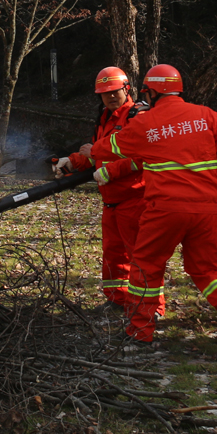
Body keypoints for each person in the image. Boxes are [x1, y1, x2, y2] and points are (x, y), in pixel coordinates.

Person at [109, 64, 217, 356]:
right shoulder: (208, 116)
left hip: (165, 209)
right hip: (208, 209)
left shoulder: (146, 123)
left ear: (151, 91)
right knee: (208, 268)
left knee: (146, 265)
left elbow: (114, 147)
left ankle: (140, 331)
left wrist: (87, 153)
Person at [54, 66, 146, 311]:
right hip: (111, 199)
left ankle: (148, 308)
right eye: (105, 93)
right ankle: (117, 300)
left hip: (135, 198)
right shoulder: (104, 118)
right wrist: (72, 161)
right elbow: (98, 153)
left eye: (115, 91)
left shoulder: (139, 116)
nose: (110, 96)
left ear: (126, 89)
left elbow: (144, 156)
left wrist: (111, 171)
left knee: (140, 257)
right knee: (113, 253)